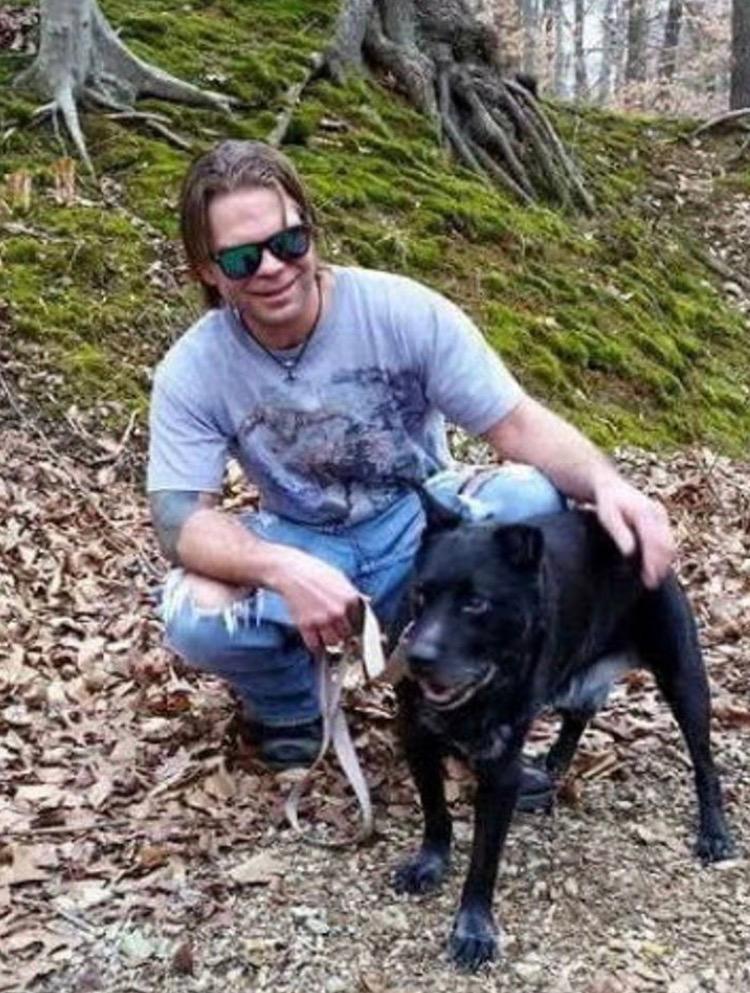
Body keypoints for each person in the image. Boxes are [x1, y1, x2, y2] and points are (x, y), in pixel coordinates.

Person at [147, 139, 674, 775]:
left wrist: (608, 484)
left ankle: (487, 690)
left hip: (421, 526)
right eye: (241, 256)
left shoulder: (402, 311)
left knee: (532, 501)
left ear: (311, 230)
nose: (273, 267)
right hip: (305, 537)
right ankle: (288, 707)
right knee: (195, 611)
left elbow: (514, 421)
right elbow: (180, 520)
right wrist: (281, 568)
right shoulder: (194, 368)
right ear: (206, 270)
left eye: (289, 242)